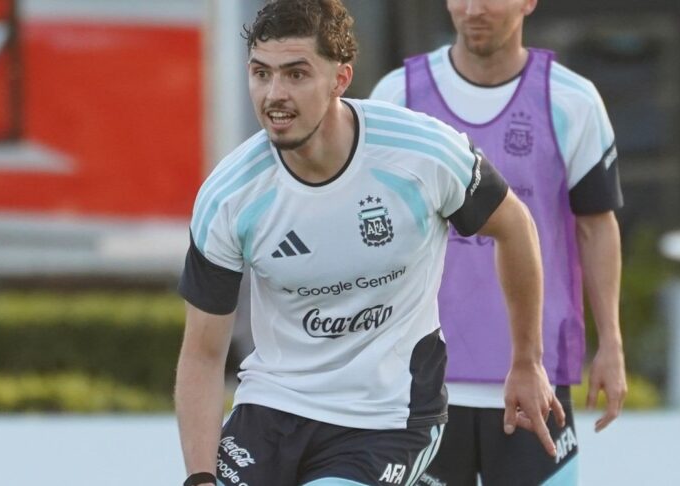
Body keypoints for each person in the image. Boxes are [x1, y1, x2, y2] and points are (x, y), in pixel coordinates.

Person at [175, 1, 562, 485]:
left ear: (340, 79)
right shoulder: (228, 196)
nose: (274, 94)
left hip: (389, 417)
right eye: (261, 73)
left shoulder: (423, 153)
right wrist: (199, 478)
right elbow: (203, 355)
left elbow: (515, 226)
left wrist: (527, 361)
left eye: (296, 74)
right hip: (271, 410)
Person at [370, 0, 627, 484]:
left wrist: (610, 341)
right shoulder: (398, 97)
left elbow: (596, 225)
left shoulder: (572, 100)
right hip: (420, 385)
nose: (472, 9)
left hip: (537, 379)